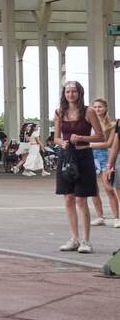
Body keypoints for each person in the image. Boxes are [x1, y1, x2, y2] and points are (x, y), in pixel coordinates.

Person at [53, 81, 103, 254]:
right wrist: (63, 142)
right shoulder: (59, 111)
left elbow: (100, 136)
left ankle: (86, 240)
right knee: (68, 199)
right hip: (66, 157)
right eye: (68, 91)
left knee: (81, 199)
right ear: (64, 93)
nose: (71, 94)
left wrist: (81, 138)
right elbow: (56, 139)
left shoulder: (88, 111)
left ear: (80, 93)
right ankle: (73, 238)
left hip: (83, 157)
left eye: (74, 91)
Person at [87, 98, 119, 228]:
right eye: (95, 107)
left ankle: (117, 217)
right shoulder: (88, 123)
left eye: (100, 107)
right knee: (93, 189)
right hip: (90, 156)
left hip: (104, 155)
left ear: (105, 108)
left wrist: (88, 145)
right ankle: (100, 216)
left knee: (109, 188)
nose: (97, 109)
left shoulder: (111, 125)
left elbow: (109, 144)